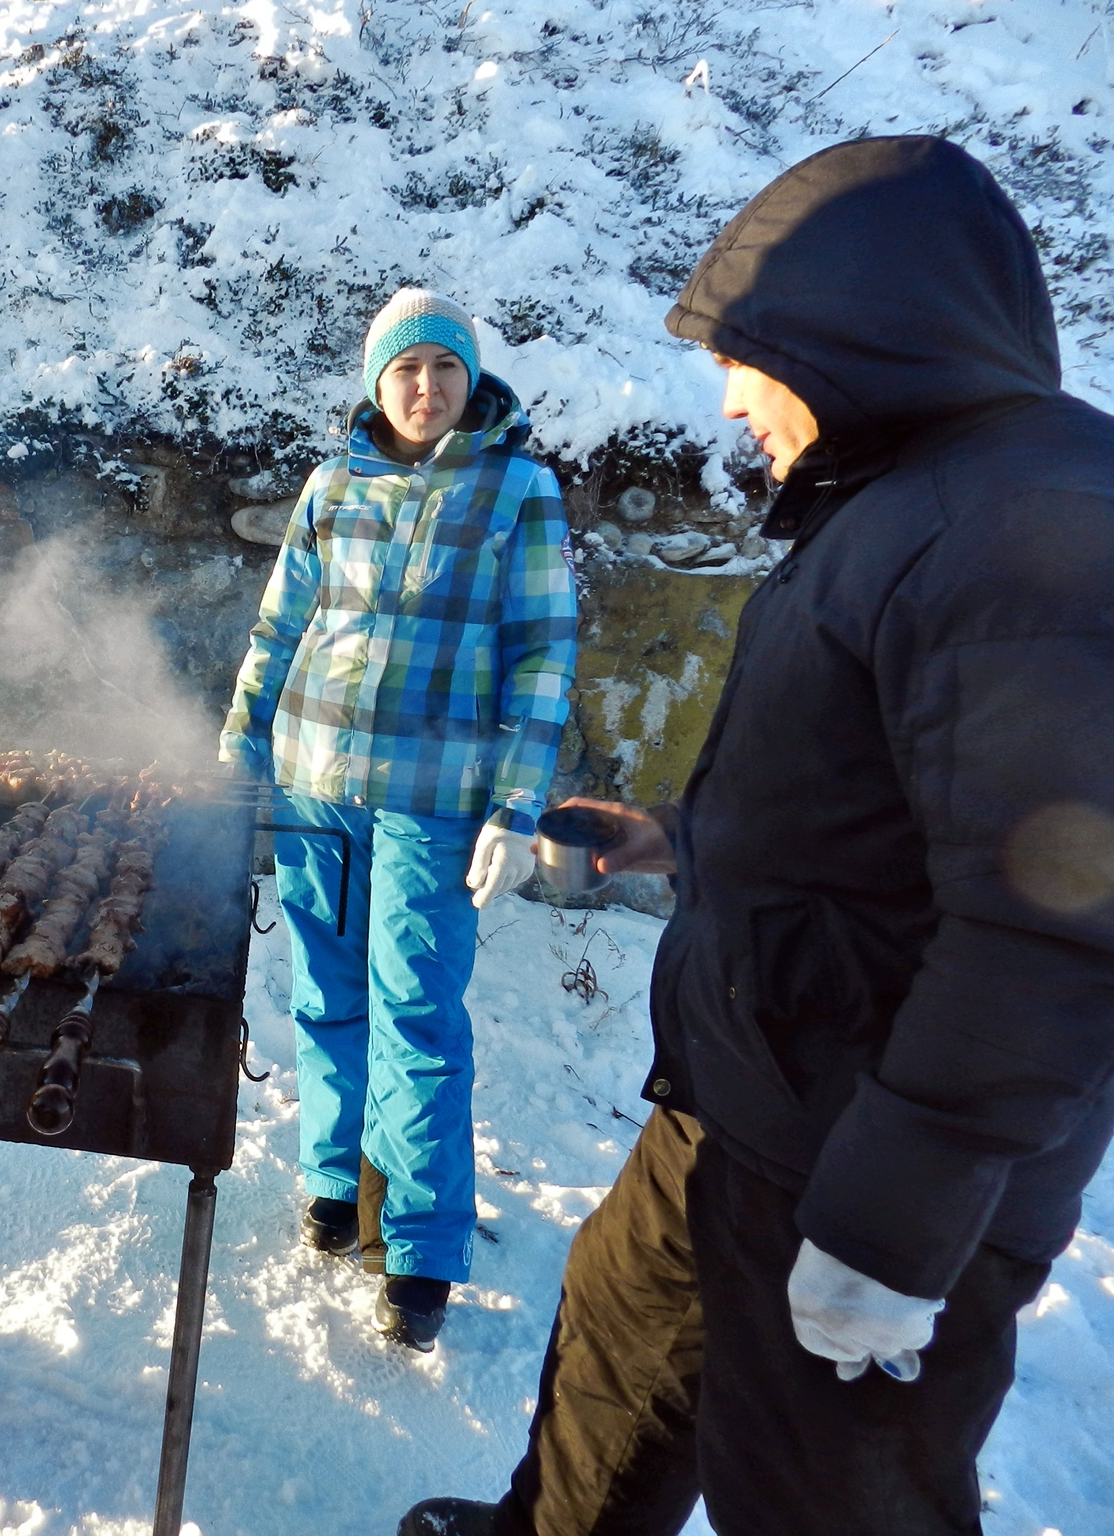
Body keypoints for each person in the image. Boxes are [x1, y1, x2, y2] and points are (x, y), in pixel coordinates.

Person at [401, 136, 1114, 1536]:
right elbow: (881, 807)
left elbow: (1054, 930)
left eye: (747, 354)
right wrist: (677, 837)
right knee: (621, 1349)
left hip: (860, 1160)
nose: (728, 401)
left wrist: (891, 1237)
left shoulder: (1032, 531)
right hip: (750, 1090)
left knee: (833, 1492)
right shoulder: (920, 500)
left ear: (859, 330)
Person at [221, 288, 578, 1350]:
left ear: (471, 382)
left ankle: (419, 1244)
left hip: (433, 801)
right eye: (404, 369)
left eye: (443, 369)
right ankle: (336, 1179)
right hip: (313, 785)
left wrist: (516, 808)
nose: (423, 389)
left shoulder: (517, 490)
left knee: (415, 1016)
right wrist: (238, 753)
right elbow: (280, 623)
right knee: (327, 1001)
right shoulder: (332, 484)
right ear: (377, 383)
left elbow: (542, 656)